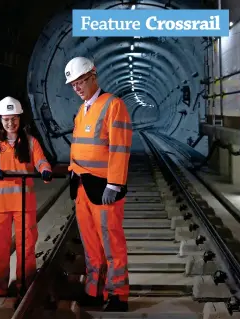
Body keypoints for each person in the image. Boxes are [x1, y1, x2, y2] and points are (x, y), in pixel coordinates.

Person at [65, 57, 133, 312]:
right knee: (91, 243)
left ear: (94, 75)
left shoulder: (113, 105)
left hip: (104, 187)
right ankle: (94, 291)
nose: (77, 87)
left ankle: (118, 295)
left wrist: (114, 185)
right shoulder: (83, 110)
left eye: (81, 81)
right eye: (73, 84)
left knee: (111, 242)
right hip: (82, 186)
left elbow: (119, 148)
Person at [0, 96, 53, 308]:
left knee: (26, 247)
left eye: (14, 119)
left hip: (23, 204)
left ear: (20, 118)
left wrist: (45, 170)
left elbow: (40, 160)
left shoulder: (30, 142)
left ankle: (25, 285)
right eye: (6, 119)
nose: (10, 123)